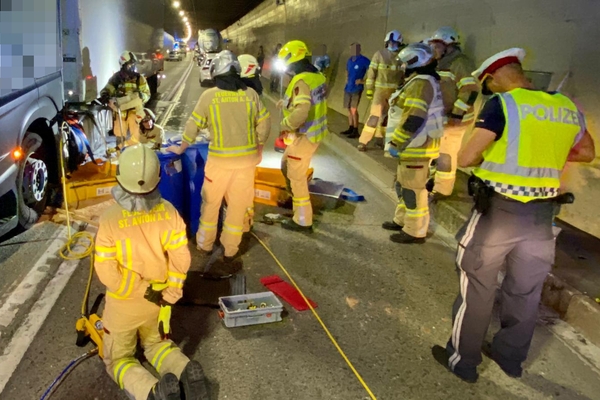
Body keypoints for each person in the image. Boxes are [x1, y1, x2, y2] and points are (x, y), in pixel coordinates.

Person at [432, 48, 596, 383]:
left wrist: (495, 154)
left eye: (489, 82)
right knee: (525, 291)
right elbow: (587, 152)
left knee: (477, 285)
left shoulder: (503, 105)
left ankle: (462, 361)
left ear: (495, 76)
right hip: (543, 216)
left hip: (499, 212)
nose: (490, 88)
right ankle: (510, 360)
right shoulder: (564, 106)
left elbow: (467, 156)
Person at [94, 144, 209, 400]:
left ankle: (153, 392)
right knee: (157, 344)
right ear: (158, 178)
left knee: (118, 360)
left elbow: (105, 269)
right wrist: (173, 289)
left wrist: (135, 289)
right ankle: (186, 371)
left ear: (119, 177)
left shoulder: (110, 219)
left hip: (125, 305)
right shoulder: (168, 211)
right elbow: (181, 256)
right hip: (159, 302)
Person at [166, 50, 270, 263]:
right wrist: (258, 147)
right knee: (237, 207)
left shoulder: (209, 97)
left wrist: (181, 148)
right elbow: (265, 124)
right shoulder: (250, 94)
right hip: (245, 165)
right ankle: (230, 250)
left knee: (211, 204)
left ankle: (204, 245)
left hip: (219, 164)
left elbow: (193, 125)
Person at [381, 43, 444, 244]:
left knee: (413, 190)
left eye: (404, 63)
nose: (402, 67)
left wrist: (397, 142)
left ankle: (414, 231)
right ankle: (401, 220)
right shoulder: (421, 80)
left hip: (415, 146)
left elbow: (415, 116)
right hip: (415, 145)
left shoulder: (421, 83)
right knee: (404, 185)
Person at [276, 40, 329, 232]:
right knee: (285, 164)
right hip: (314, 133)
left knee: (296, 176)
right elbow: (311, 101)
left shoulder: (301, 81)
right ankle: (294, 199)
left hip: (304, 135)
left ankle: (302, 220)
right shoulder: (318, 76)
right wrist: (287, 102)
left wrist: (285, 124)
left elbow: (301, 112)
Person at [427, 27, 479, 198]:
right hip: (443, 117)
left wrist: (457, 115)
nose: (434, 49)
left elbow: (470, 90)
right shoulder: (443, 62)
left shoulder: (459, 62)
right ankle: (435, 180)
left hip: (455, 119)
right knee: (437, 150)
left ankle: (443, 189)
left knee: (446, 153)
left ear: (447, 45)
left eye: (436, 45)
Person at [357, 30, 405, 151]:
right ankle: (363, 142)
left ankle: (379, 139)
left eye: (394, 42)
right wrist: (369, 89)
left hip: (395, 93)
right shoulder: (379, 55)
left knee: (386, 118)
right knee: (375, 117)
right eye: (390, 42)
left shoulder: (402, 57)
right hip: (381, 92)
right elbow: (371, 73)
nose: (392, 44)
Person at [100, 51, 151, 148]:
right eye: (130, 64)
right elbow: (107, 89)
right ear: (124, 65)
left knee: (135, 139)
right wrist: (105, 95)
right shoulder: (116, 78)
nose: (132, 66)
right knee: (120, 140)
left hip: (135, 114)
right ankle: (121, 160)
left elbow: (147, 94)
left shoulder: (139, 78)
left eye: (133, 64)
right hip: (120, 114)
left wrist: (141, 96)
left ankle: (136, 159)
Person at [341, 42, 370, 138]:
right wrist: (346, 79)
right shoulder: (350, 60)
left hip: (356, 88)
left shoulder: (364, 60)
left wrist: (363, 81)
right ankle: (351, 126)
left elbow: (372, 72)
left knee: (353, 109)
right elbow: (347, 70)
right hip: (348, 87)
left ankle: (356, 129)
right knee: (349, 109)